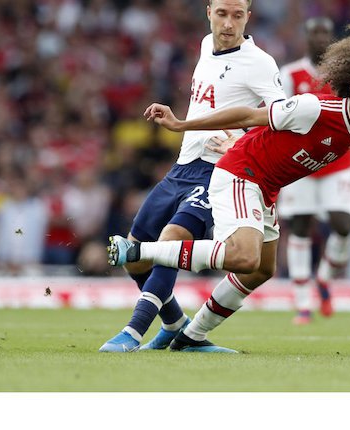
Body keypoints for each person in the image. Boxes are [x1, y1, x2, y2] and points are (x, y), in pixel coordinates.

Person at [108, 25, 350, 353]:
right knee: (244, 256)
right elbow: (250, 114)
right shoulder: (314, 109)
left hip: (266, 187)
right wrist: (182, 125)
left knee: (261, 270)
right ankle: (137, 252)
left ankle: (191, 337)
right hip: (241, 173)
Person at [99, 0, 286, 352]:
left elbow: (283, 117)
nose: (229, 23)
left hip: (220, 172)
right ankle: (175, 324)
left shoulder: (260, 62)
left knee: (170, 240)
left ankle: (133, 332)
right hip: (183, 166)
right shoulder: (205, 45)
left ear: (249, 16)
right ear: (208, 12)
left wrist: (240, 140)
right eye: (222, 14)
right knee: (136, 254)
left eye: (237, 15)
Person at [278, 17, 350, 324]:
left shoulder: (344, 74)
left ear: (332, 37)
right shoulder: (291, 74)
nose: (320, 38)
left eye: (325, 32)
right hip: (300, 161)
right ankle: (302, 304)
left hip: (337, 160)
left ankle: (324, 279)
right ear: (306, 38)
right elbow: (279, 112)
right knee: (300, 225)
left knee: (343, 225)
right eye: (315, 33)